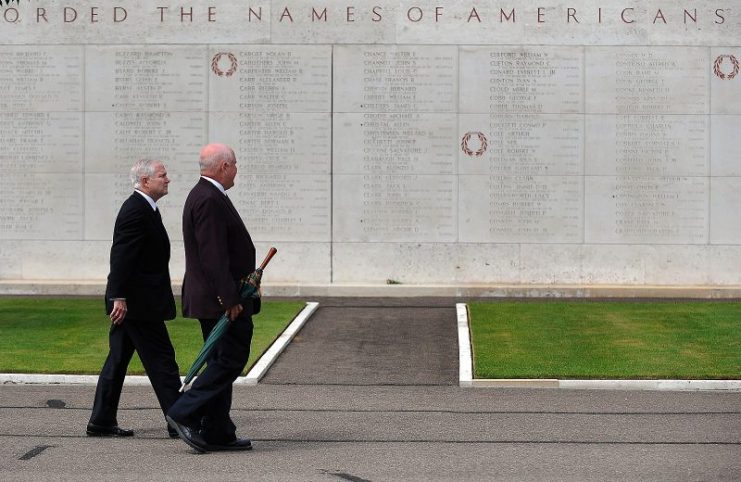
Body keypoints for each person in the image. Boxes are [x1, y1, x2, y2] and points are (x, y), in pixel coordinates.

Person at [166, 143, 259, 453]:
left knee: (222, 360)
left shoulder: (207, 195)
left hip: (214, 298)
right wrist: (230, 299)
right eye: (234, 165)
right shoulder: (208, 198)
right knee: (230, 359)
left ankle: (218, 430)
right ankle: (183, 411)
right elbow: (213, 255)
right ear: (223, 167)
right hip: (219, 301)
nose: (236, 170)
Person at [87, 159, 181, 439]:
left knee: (117, 361)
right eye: (163, 176)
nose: (168, 180)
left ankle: (102, 420)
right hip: (137, 306)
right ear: (145, 181)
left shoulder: (146, 209)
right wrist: (118, 296)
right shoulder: (135, 210)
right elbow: (121, 255)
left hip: (135, 303)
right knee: (163, 361)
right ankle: (180, 419)